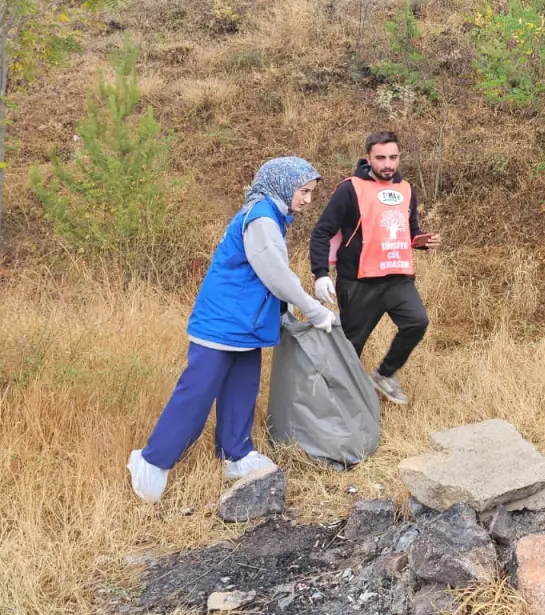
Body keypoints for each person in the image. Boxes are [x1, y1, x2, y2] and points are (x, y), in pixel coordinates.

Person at [127, 157, 338, 503]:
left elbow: (263, 277)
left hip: (244, 326)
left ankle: (235, 454)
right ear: (284, 186)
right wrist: (315, 312)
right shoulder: (261, 219)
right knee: (196, 395)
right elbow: (276, 275)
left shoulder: (271, 215)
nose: (308, 200)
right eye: (304, 191)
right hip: (221, 323)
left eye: (311, 192)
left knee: (241, 391)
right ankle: (151, 461)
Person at [309, 131, 439, 406]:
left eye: (393, 157)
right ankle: (329, 404)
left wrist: (422, 241)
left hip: (397, 277)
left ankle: (385, 374)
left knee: (417, 322)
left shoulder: (406, 189)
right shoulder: (350, 189)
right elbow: (322, 232)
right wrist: (321, 274)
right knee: (349, 348)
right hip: (359, 281)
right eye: (380, 158)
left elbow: (409, 231)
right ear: (368, 157)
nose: (388, 164)